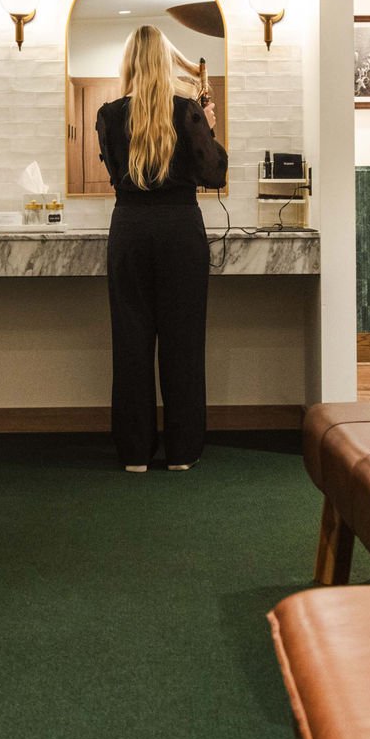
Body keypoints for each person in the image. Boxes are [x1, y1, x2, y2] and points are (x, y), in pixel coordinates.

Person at [95, 25, 229, 471]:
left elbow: (115, 174)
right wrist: (208, 127)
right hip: (179, 232)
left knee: (131, 342)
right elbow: (214, 176)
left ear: (129, 64)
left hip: (130, 229)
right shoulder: (188, 111)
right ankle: (182, 451)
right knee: (183, 342)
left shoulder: (109, 115)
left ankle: (134, 452)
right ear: (168, 64)